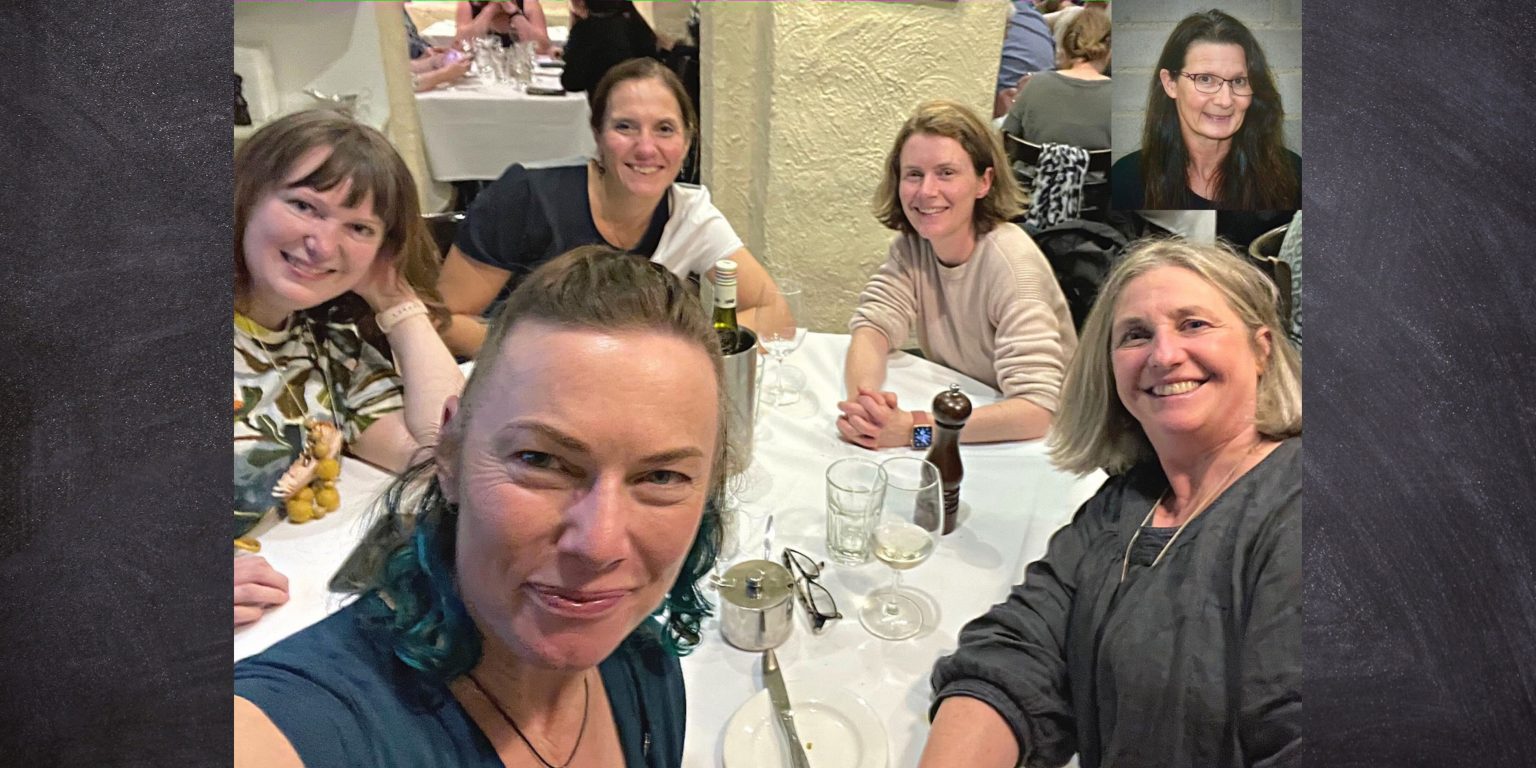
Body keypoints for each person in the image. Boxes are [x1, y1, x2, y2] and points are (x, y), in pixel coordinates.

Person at [234, 246, 727, 768]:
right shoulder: (314, 720)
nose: (599, 545)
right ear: (450, 451)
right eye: (541, 460)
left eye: (662, 476)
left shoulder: (644, 659)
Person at [919, 238, 1302, 767]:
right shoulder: (1128, 501)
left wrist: (914, 431)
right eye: (1136, 335)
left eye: (1194, 324)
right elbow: (1019, 652)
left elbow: (1036, 411)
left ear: (1261, 349)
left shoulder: (1304, 510)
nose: (1164, 355)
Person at [233, 111, 466, 629]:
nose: (323, 244)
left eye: (359, 228)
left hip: (280, 616)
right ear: (245, 194)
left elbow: (443, 454)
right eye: (303, 206)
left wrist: (394, 298)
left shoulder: (327, 344)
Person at [437, 57, 784, 358]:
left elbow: (774, 314)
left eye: (665, 129)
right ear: (598, 135)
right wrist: (551, 359)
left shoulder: (691, 215)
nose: (646, 148)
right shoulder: (527, 196)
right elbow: (442, 320)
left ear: (687, 142)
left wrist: (676, 349)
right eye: (625, 127)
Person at [837, 101, 1078, 448]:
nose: (926, 191)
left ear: (984, 182)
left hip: (1036, 442)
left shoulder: (1013, 266)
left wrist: (914, 431)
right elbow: (873, 328)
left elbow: (1037, 410)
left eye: (946, 173)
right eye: (914, 174)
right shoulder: (912, 247)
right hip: (968, 410)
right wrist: (867, 407)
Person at [1111, 10, 1301, 211]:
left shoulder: (1292, 175)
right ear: (1170, 83)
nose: (1225, 100)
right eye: (1205, 79)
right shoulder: (1126, 180)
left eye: (1239, 81)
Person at [1003, 8, 1112, 149]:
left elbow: (1006, 138)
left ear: (1065, 44)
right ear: (1109, 52)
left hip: (1034, 164)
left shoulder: (1036, 83)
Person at [560, 0, 660, 94]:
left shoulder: (586, 30)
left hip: (606, 101)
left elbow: (572, 82)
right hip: (640, 95)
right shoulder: (635, 23)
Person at [455, 0, 552, 54]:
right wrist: (489, 11)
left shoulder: (528, 3)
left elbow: (543, 47)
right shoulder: (469, 3)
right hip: (483, 71)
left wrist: (515, 14)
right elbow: (460, 46)